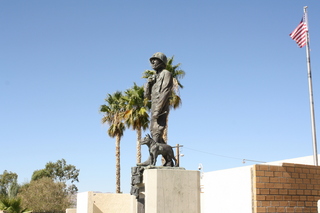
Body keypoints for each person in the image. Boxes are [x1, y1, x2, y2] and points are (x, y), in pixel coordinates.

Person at [137, 52, 173, 166]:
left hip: (161, 108)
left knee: (156, 131)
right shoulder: (154, 77)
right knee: (154, 133)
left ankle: (151, 159)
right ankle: (168, 160)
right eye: (151, 60)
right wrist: (149, 83)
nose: (152, 62)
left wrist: (158, 110)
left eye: (155, 60)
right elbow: (147, 96)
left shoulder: (166, 74)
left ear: (161, 61)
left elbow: (165, 92)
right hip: (154, 107)